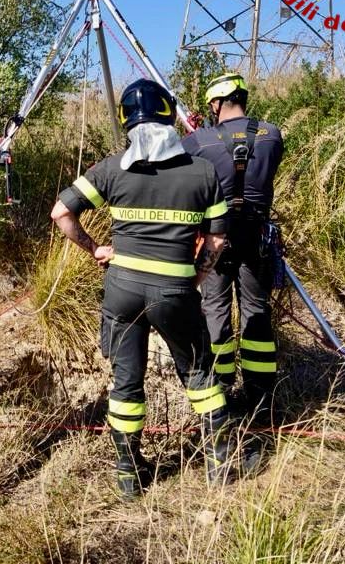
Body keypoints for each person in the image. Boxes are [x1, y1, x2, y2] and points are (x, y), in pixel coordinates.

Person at [51, 79, 234, 497]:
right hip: (175, 289)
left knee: (127, 382)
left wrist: (95, 248)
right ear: (170, 115)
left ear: (125, 122)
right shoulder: (202, 171)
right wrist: (198, 276)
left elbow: (61, 212)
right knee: (201, 375)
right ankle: (220, 464)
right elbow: (218, 239)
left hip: (122, 288)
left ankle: (129, 473)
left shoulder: (112, 167)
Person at [181, 72, 284, 427]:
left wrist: (198, 135)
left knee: (216, 311)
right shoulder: (272, 134)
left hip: (216, 240)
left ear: (215, 104)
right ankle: (261, 395)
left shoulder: (199, 140)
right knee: (257, 311)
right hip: (257, 238)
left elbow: (186, 164)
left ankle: (221, 388)